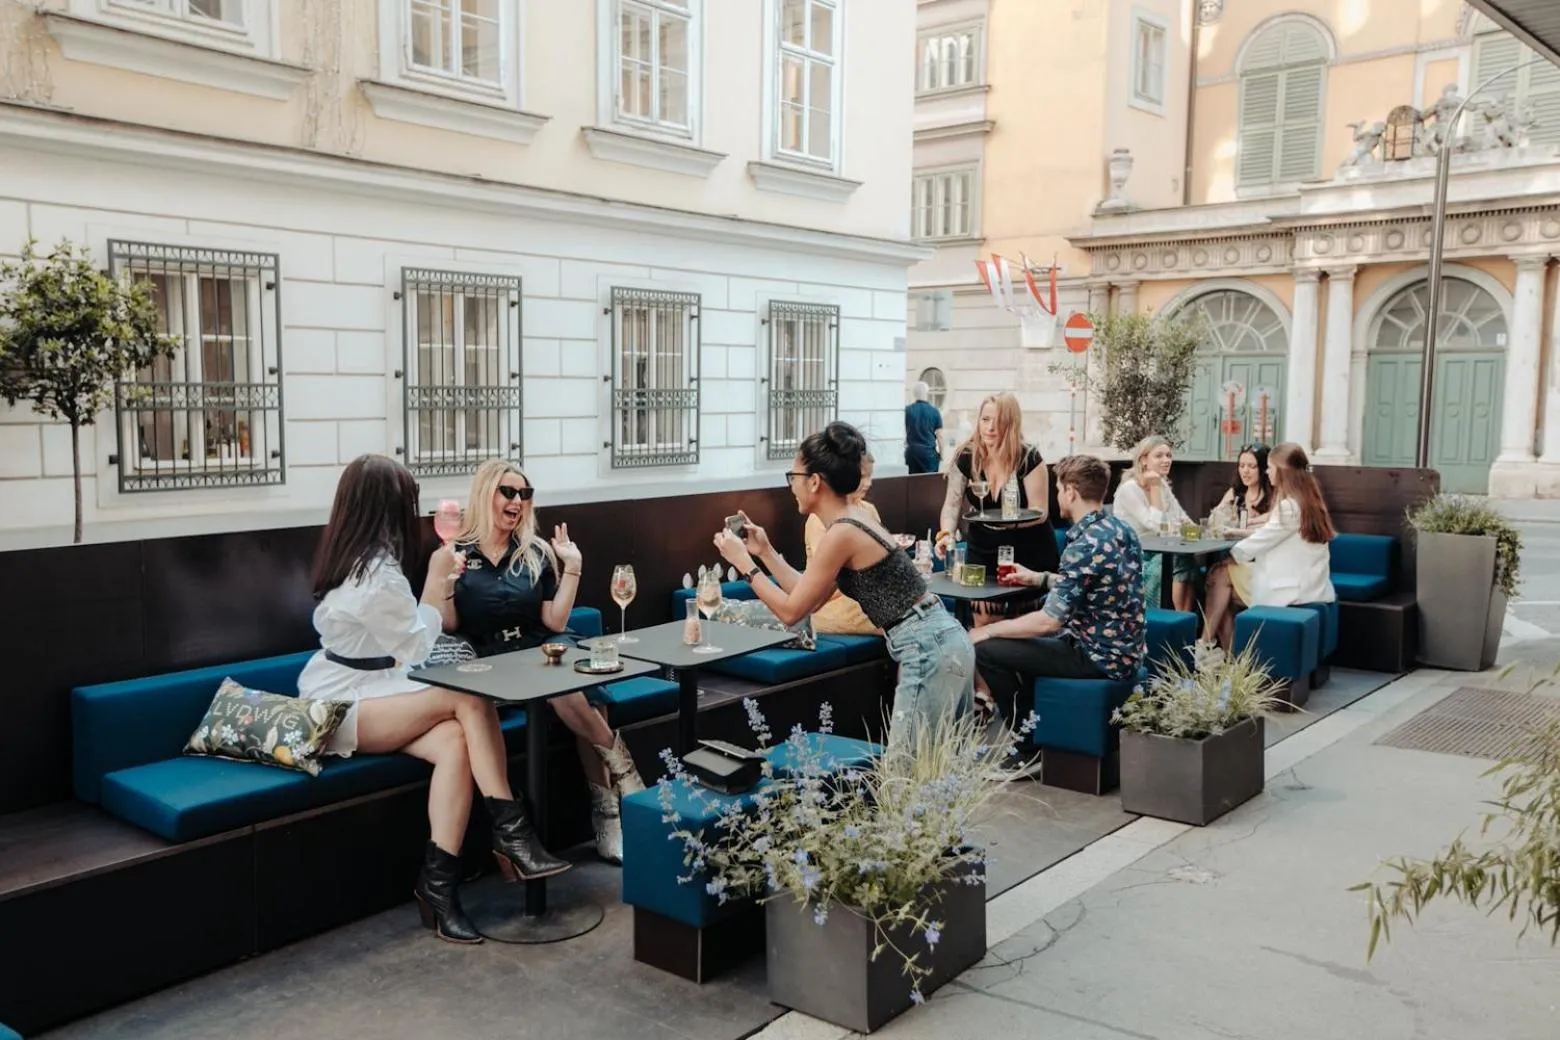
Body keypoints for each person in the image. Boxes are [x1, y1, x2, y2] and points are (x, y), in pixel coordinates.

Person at [296, 454, 570, 946]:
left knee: (455, 743)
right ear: (387, 506)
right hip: (340, 706)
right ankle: (513, 833)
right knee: (470, 697)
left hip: (375, 688)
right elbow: (417, 647)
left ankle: (438, 888)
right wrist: (437, 579)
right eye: (409, 501)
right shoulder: (375, 573)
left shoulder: (354, 556)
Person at [422, 459, 646, 865]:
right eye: (508, 492)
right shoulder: (456, 553)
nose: (517, 501)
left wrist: (573, 566)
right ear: (485, 494)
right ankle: (624, 773)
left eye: (524, 494)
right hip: (492, 664)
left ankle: (607, 814)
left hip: (542, 647)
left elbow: (554, 621)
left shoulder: (535, 551)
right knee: (571, 686)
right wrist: (448, 583)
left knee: (574, 685)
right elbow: (449, 625)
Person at [714, 422, 974, 750]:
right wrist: (764, 552)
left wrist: (744, 565)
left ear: (814, 482)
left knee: (906, 773)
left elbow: (792, 613)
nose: (791, 486)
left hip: (927, 647)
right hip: (942, 640)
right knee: (939, 772)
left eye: (793, 477)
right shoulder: (852, 520)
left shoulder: (842, 533)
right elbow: (808, 597)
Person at [970, 455, 1146, 776]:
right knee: (1023, 650)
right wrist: (1038, 578)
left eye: (1058, 490)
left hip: (1096, 656)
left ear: (1071, 492)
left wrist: (988, 630)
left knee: (986, 650)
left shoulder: (1083, 544)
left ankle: (1027, 747)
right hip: (1125, 651)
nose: (1057, 497)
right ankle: (1036, 730)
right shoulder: (1120, 529)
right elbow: (1096, 584)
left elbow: (1048, 621)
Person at [935, 392, 1058, 625]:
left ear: (1011, 424)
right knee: (984, 621)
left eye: (998, 421)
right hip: (983, 547)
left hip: (1028, 549)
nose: (990, 428)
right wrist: (946, 534)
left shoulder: (1029, 458)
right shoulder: (967, 456)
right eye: (985, 420)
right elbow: (951, 505)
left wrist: (1006, 522)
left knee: (1022, 627)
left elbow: (1040, 512)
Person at [1205, 442, 1337, 648]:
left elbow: (1262, 539)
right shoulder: (1307, 500)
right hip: (1310, 582)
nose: (1267, 472)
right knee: (1221, 584)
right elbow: (1271, 532)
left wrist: (1233, 554)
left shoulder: (1289, 506)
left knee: (1218, 577)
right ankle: (1224, 652)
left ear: (1282, 472)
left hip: (1292, 588)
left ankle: (1208, 646)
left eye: (1269, 467)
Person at [1199, 444, 1275, 648]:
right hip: (1236, 559)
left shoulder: (1273, 497)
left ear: (1263, 469)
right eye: (1241, 465)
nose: (1245, 471)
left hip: (1262, 564)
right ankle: (1227, 656)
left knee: (1217, 582)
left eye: (1251, 466)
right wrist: (1224, 508)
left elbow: (1269, 532)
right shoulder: (1236, 493)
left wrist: (1239, 528)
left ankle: (1206, 645)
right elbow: (1214, 521)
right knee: (1218, 585)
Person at [1112, 434, 1197, 612]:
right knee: (1180, 560)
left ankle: (1185, 620)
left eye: (1169, 455)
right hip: (1135, 556)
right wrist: (1155, 488)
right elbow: (1157, 525)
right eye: (1159, 456)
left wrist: (1189, 529)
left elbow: (1186, 522)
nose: (1166, 460)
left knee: (1186, 560)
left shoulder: (1163, 485)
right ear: (1143, 460)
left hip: (1163, 550)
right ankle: (1177, 618)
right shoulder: (1130, 489)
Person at [805, 452, 882, 635]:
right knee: (896, 614)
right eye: (863, 477)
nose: (868, 483)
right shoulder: (819, 518)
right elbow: (828, 574)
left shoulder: (868, 510)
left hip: (866, 595)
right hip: (834, 603)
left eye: (870, 476)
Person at [904, 381, 944, 474]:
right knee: (929, 481)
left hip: (912, 454)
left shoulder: (907, 410)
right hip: (929, 455)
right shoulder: (934, 411)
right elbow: (940, 436)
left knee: (912, 481)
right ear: (927, 393)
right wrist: (942, 455)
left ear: (914, 394)